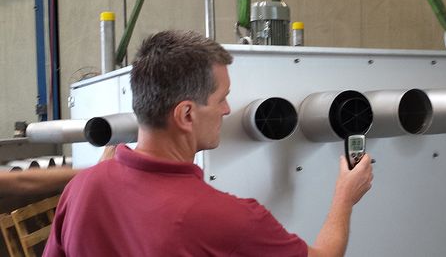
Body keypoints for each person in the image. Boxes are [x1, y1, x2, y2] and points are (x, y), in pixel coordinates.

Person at [44, 30, 374, 256]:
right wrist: (345, 197)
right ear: (186, 114)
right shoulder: (228, 217)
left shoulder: (82, 188)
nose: (228, 110)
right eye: (221, 99)